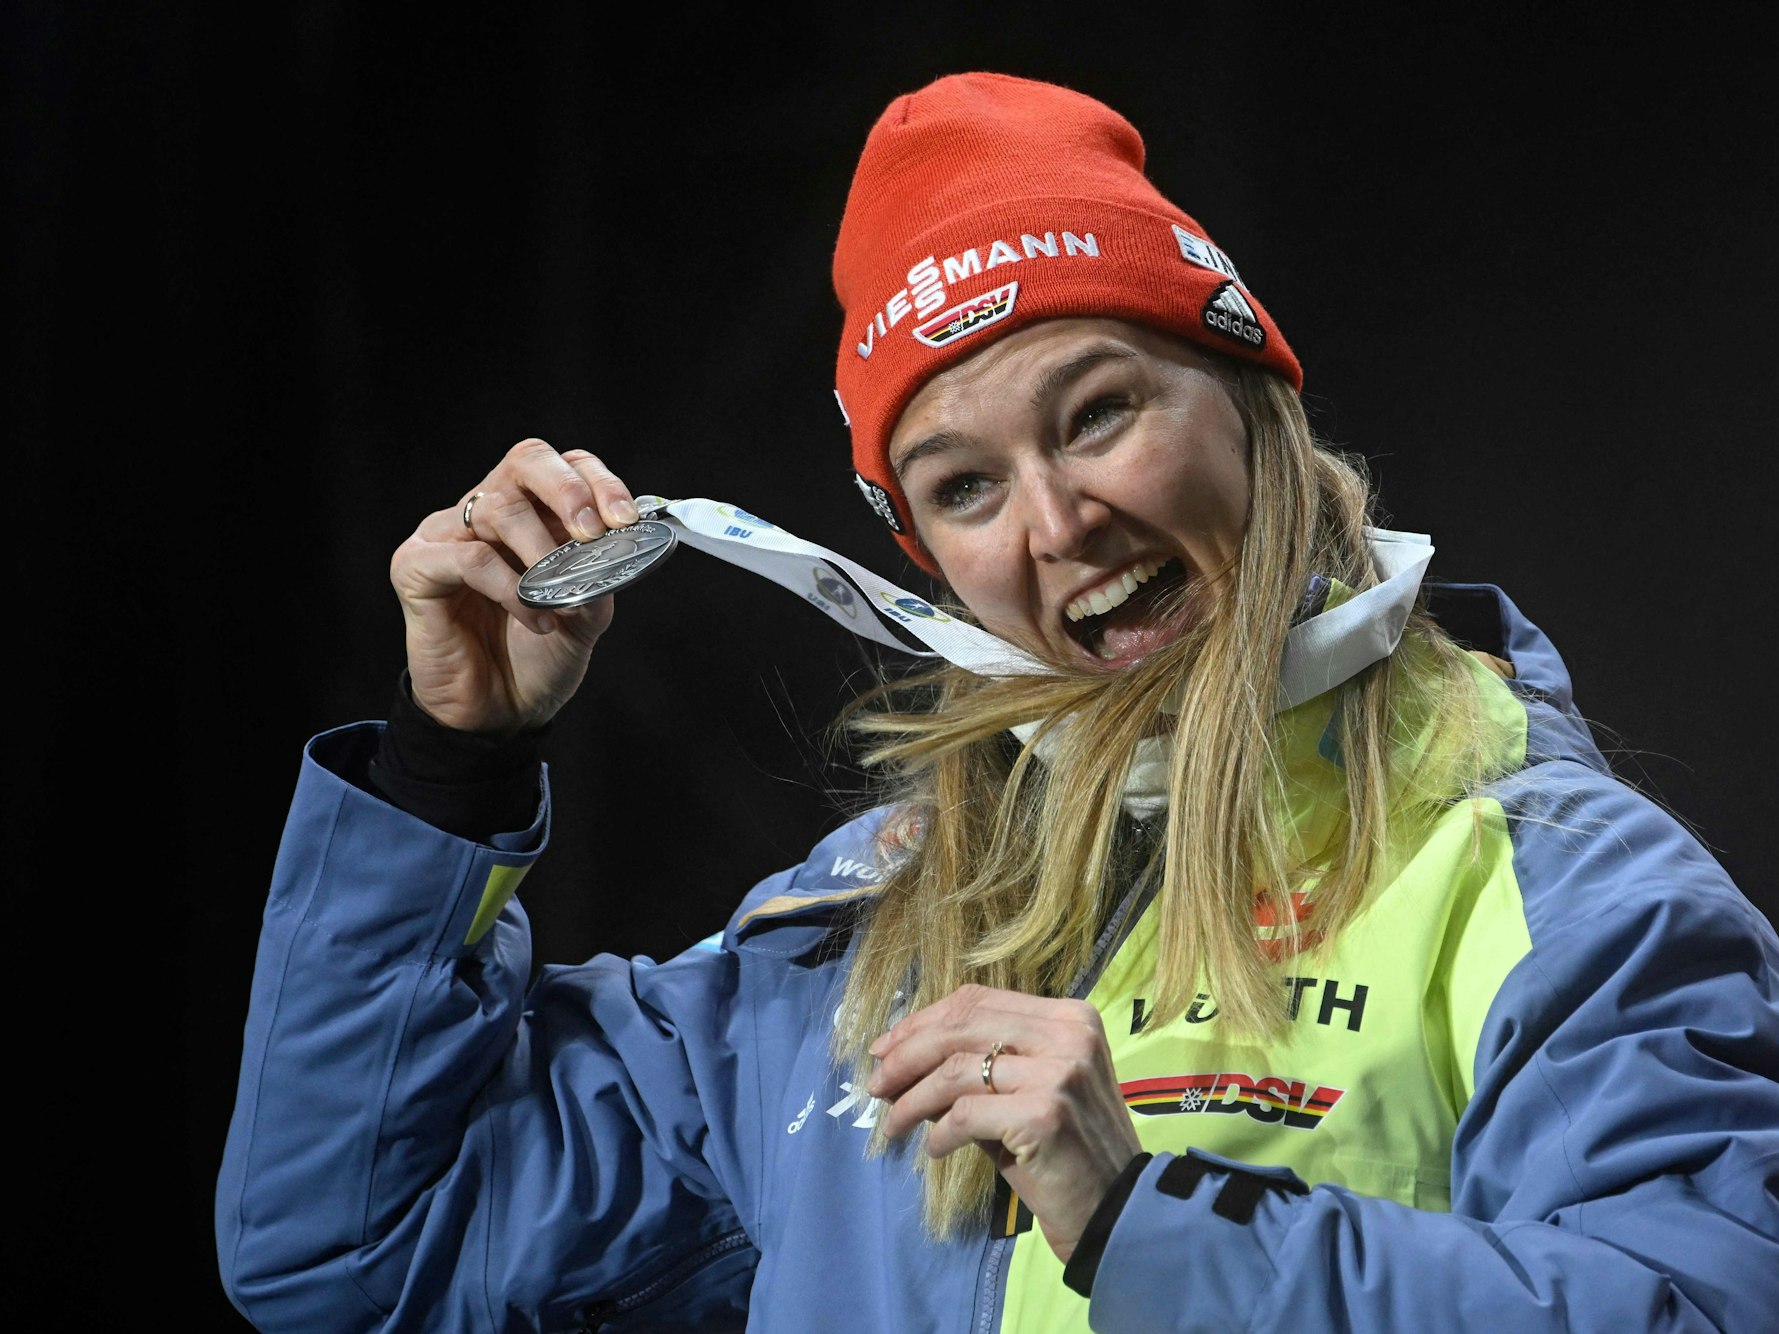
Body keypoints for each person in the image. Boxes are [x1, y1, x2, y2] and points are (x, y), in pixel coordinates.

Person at [215, 71, 1779, 1332]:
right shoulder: (849, 957)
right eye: (964, 485)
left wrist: (1147, 1223)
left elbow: (1706, 1304)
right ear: (926, 557)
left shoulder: (1565, 888)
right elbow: (355, 1253)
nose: (1057, 523)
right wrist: (456, 768)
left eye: (1098, 412)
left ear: (1255, 400)